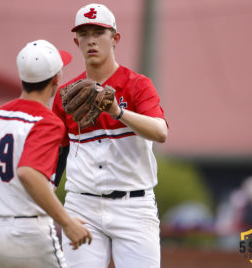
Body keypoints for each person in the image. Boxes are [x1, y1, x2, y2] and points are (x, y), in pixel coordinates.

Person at [53, 3, 168, 268]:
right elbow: (57, 154)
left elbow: (160, 132)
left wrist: (118, 112)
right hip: (82, 206)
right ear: (76, 41)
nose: (91, 40)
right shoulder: (68, 95)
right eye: (84, 34)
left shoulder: (137, 84)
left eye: (98, 32)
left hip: (134, 206)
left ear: (115, 38)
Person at [0, 40, 92, 268]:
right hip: (25, 235)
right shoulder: (47, 121)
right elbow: (29, 174)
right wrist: (67, 222)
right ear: (56, 78)